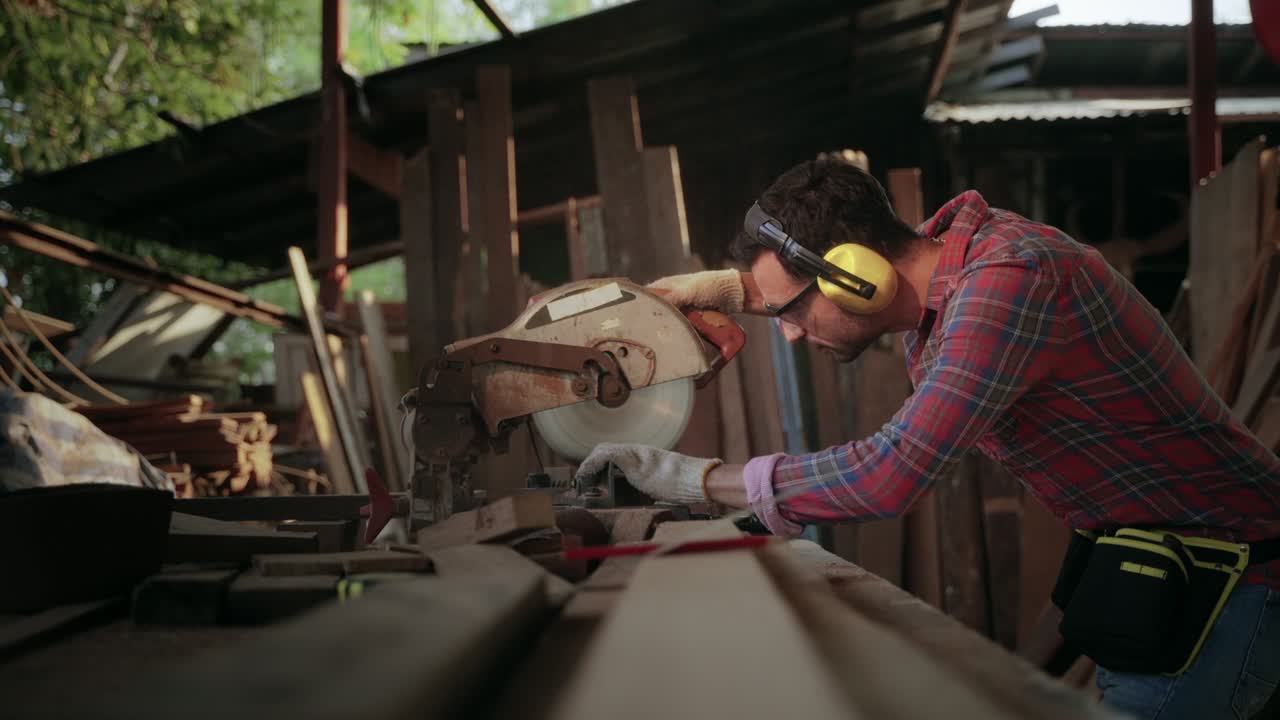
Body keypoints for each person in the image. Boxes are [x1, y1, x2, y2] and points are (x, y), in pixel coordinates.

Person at [574, 155, 1280, 719]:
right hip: (1161, 569)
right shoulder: (941, 293)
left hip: (1237, 579)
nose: (785, 332)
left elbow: (892, 472)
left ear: (857, 277)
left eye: (787, 310)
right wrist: (737, 291)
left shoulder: (1012, 279)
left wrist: (690, 479)